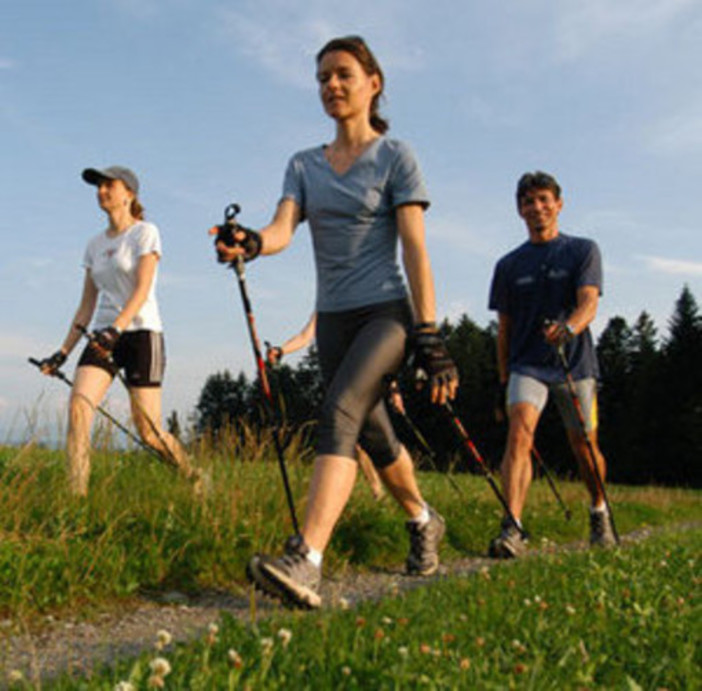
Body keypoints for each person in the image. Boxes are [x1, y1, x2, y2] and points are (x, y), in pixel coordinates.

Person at [214, 35, 458, 608]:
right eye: (323, 77)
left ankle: (307, 558)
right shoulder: (303, 165)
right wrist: (249, 241)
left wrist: (429, 332)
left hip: (387, 314)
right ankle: (424, 519)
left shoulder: (396, 156)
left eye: (344, 74)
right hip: (334, 321)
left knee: (340, 409)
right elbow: (280, 229)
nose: (332, 85)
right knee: (373, 434)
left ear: (374, 83)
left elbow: (415, 249)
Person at [39, 166, 196, 496]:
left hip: (141, 333)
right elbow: (85, 305)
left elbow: (142, 289)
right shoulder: (94, 245)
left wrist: (117, 329)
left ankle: (192, 476)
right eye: (98, 186)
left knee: (148, 431)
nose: (101, 191)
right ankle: (76, 497)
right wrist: (62, 352)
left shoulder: (145, 233)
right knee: (79, 409)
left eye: (109, 185)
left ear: (129, 193)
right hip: (101, 335)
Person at [487, 170, 615, 558]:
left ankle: (599, 510)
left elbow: (589, 303)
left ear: (558, 204)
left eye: (544, 199)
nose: (537, 207)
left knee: (584, 444)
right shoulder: (508, 265)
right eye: (528, 201)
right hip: (527, 366)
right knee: (519, 435)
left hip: (575, 366)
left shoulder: (582, 250)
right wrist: (503, 377)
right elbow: (504, 329)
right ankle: (513, 527)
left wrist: (569, 328)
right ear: (519, 210)